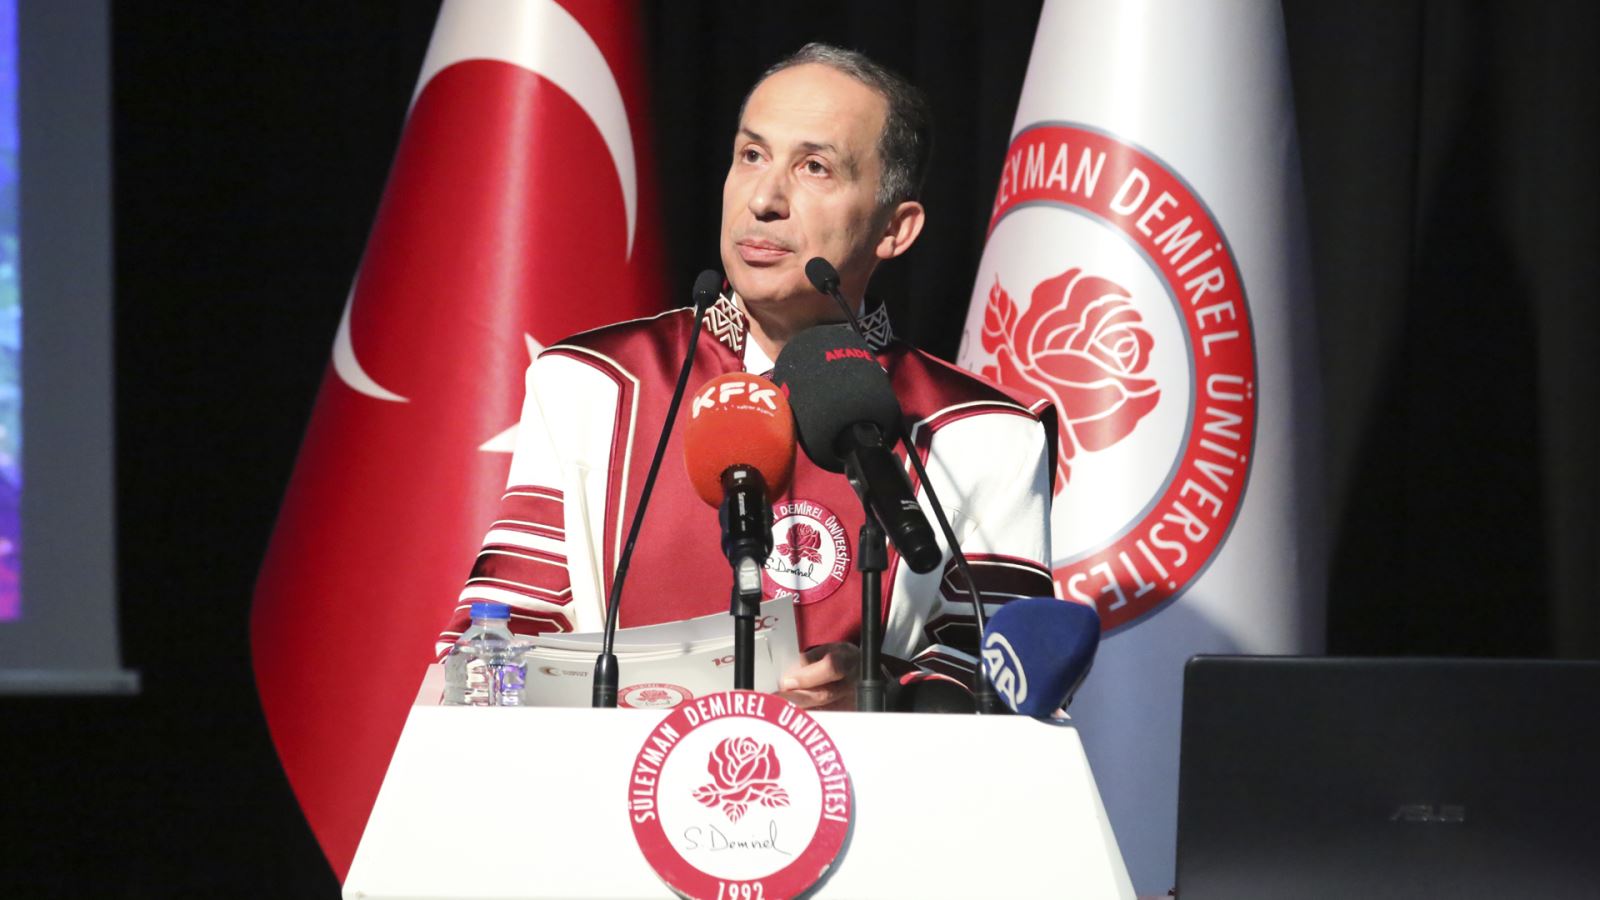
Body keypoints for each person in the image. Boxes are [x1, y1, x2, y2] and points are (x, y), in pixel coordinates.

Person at [437, 43, 1055, 710]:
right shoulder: (593, 384)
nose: (763, 199)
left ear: (895, 229)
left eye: (815, 167)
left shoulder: (982, 432)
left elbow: (1009, 681)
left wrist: (881, 692)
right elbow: (494, 647)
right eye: (752, 155)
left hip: (874, 778)